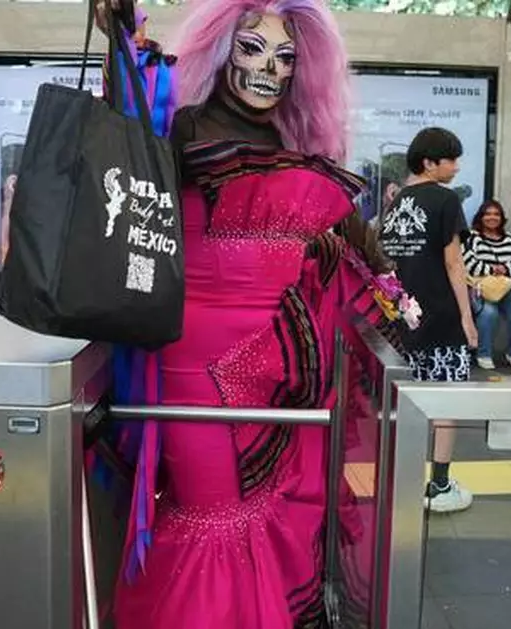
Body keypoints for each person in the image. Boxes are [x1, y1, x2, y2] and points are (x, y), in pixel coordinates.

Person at [86, 1, 406, 626]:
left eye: (286, 57)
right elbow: (122, 143)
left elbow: (345, 227)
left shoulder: (291, 142)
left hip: (281, 371)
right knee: (214, 516)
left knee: (261, 516)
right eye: (253, 49)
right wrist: (121, 39)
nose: (271, 69)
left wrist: (391, 286)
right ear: (220, 49)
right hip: (195, 368)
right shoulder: (180, 129)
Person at [379, 127, 478, 514]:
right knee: (446, 402)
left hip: (406, 318)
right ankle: (439, 486)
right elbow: (454, 264)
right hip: (441, 316)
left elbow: (388, 260)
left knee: (413, 403)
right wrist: (467, 320)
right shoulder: (444, 199)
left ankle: (405, 482)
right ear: (429, 163)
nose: (456, 166)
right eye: (450, 159)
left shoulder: (398, 202)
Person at [464, 199, 511, 370]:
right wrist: (492, 269)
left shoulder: (509, 239)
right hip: (481, 287)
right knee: (488, 313)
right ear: (481, 217)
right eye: (488, 214)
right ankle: (483, 353)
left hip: (505, 287)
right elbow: (467, 263)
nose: (492, 217)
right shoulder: (472, 237)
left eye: (496, 214)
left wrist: (505, 268)